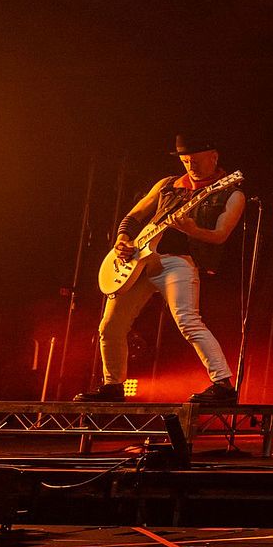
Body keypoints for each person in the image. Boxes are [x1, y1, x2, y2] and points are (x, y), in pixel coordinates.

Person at [79, 134, 245, 404]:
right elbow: (134, 215)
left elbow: (220, 235)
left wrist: (193, 230)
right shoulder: (167, 184)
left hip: (177, 262)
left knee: (188, 320)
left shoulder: (231, 193)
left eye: (196, 160)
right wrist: (123, 240)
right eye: (185, 161)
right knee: (110, 325)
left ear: (214, 157)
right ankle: (113, 385)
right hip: (139, 258)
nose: (190, 166)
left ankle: (223, 384)